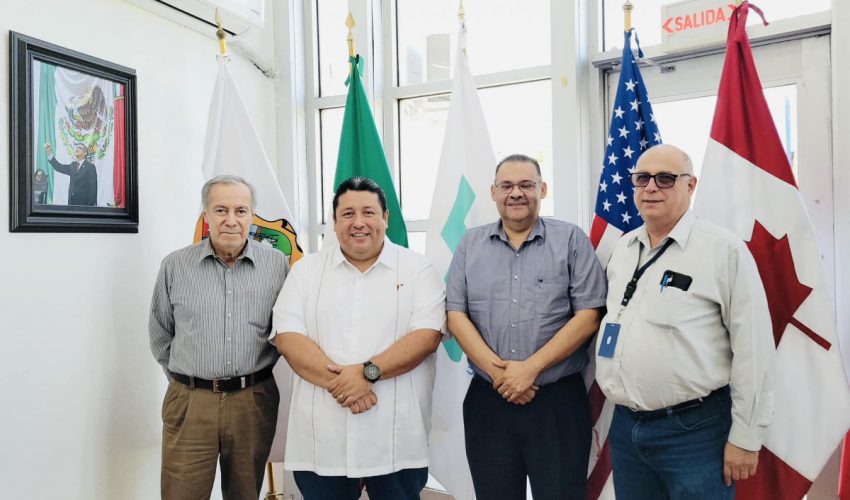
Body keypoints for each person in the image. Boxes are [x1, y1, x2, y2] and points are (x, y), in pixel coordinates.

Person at [594, 144, 775, 499]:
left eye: (665, 179)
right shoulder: (624, 248)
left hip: (694, 432)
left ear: (690, 185)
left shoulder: (722, 250)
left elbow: (753, 348)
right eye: (642, 178)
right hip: (627, 427)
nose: (651, 188)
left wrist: (746, 437)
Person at [272, 176, 445, 500]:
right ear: (334, 221)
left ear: (385, 218)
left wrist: (367, 373)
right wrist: (349, 385)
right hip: (323, 436)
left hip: (394, 436)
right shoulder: (305, 271)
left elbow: (426, 336)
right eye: (348, 214)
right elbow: (288, 338)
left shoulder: (419, 270)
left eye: (368, 212)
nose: (359, 222)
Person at [446, 154, 607, 500]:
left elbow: (589, 315)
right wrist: (500, 375)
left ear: (542, 189)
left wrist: (529, 369)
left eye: (526, 185)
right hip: (489, 400)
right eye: (506, 186)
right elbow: (455, 314)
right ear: (493, 192)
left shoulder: (571, 239)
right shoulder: (470, 244)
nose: (516, 193)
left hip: (556, 403)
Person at [149, 174, 289, 500]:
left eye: (241, 211)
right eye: (221, 210)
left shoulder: (276, 265)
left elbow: (284, 331)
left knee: (245, 494)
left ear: (252, 216)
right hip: (190, 402)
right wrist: (191, 383)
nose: (231, 220)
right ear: (206, 215)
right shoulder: (175, 266)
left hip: (252, 400)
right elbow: (160, 334)